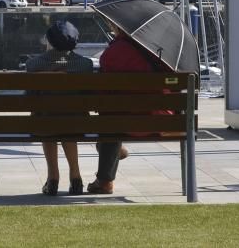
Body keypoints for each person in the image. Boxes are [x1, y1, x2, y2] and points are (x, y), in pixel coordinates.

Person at [87, 22, 158, 194]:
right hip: (161, 120)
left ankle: (104, 181)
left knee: (110, 119)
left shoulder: (113, 53)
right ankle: (114, 153)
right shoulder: (155, 50)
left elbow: (101, 96)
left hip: (126, 123)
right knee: (114, 116)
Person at [25, 20, 92, 196]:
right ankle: (75, 176)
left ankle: (53, 177)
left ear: (49, 41)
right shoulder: (85, 65)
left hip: (44, 123)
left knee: (47, 119)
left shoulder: (34, 65)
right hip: (77, 123)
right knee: (68, 119)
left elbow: (29, 97)